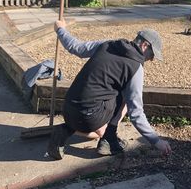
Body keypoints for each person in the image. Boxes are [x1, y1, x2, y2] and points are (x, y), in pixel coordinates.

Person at [47, 19, 172, 160]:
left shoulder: (107, 44)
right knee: (126, 95)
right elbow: (136, 113)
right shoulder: (136, 67)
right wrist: (156, 141)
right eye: (152, 54)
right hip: (90, 119)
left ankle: (64, 131)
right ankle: (108, 139)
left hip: (68, 109)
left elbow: (76, 47)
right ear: (144, 45)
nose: (152, 59)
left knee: (102, 92)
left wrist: (60, 29)